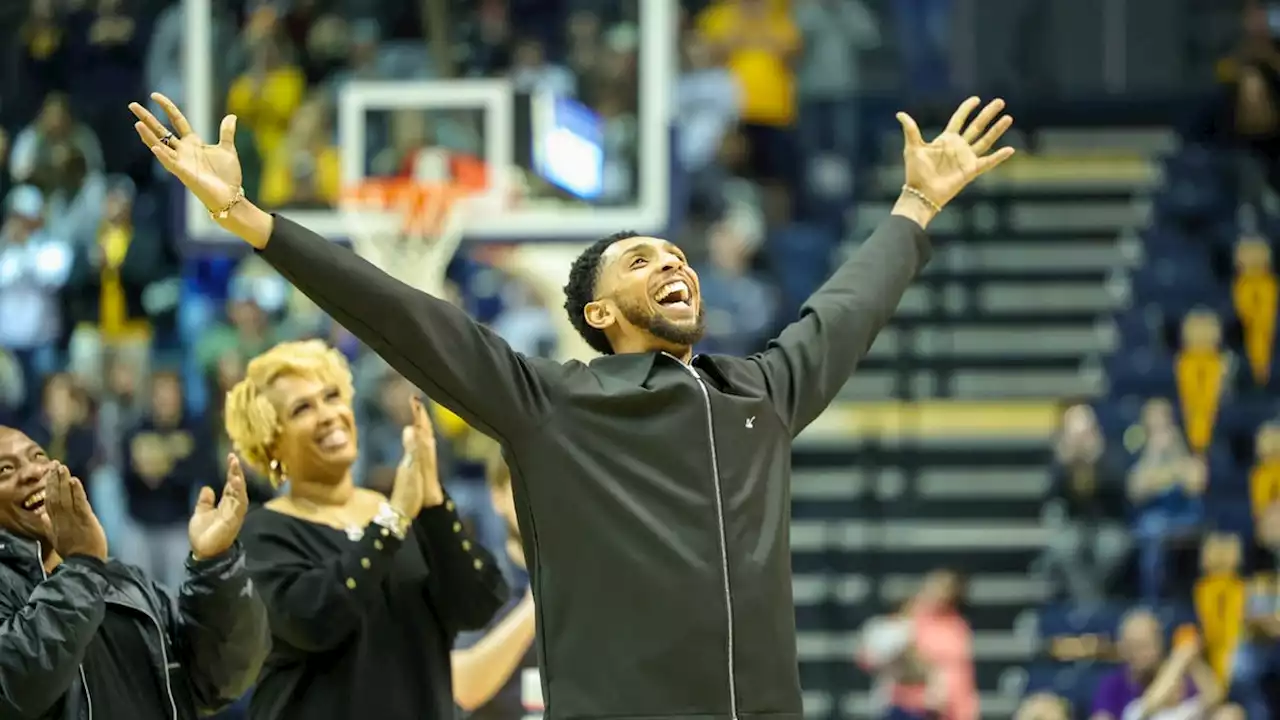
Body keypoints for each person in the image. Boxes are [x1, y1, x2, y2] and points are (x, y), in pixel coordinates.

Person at [130, 92, 1014, 720]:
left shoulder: (761, 393)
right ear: (598, 312)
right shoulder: (550, 404)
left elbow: (846, 310)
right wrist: (251, 217)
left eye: (676, 254)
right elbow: (405, 315)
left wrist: (916, 203)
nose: (673, 264)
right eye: (641, 260)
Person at [223, 340, 509, 719]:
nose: (328, 415)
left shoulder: (409, 513)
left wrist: (434, 502)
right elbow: (314, 621)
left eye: (332, 396)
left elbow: (479, 604)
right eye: (302, 408)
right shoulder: (262, 533)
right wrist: (393, 520)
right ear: (271, 444)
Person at [0, 425, 269, 719]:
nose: (32, 472)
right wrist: (82, 567)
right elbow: (14, 685)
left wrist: (216, 566)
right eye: (4, 470)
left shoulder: (122, 580)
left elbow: (220, 681)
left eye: (37, 455)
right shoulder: (83, 571)